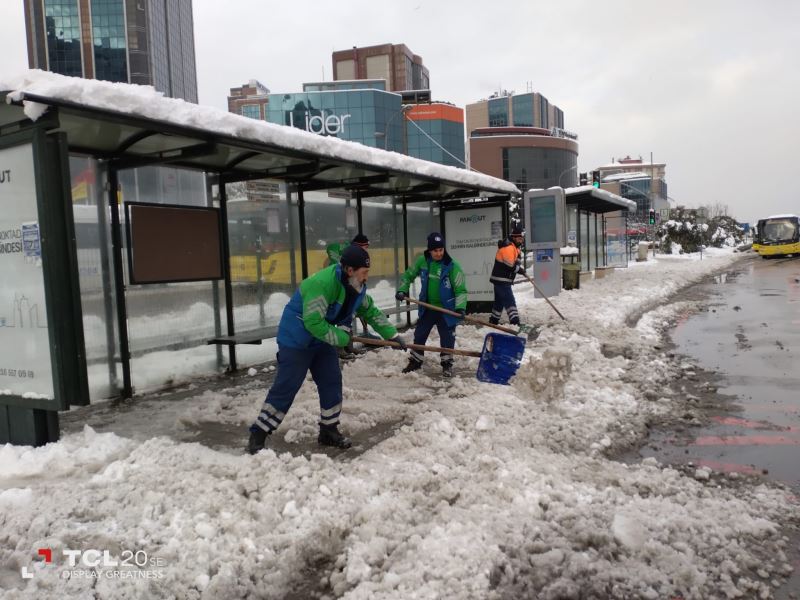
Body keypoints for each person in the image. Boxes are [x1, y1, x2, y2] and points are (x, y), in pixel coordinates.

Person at [247, 244, 406, 454]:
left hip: (323, 337)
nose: (367, 277)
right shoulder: (321, 283)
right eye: (364, 272)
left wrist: (392, 335)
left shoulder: (357, 285)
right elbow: (312, 322)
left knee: (331, 381)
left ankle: (328, 430)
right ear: (350, 270)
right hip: (297, 338)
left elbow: (369, 310)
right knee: (287, 386)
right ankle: (259, 433)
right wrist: (341, 337)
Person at [395, 232, 468, 378]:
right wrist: (402, 290)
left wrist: (460, 307)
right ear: (429, 250)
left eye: (441, 250)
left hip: (446, 310)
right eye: (435, 250)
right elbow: (408, 275)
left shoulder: (452, 266)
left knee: (447, 337)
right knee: (420, 334)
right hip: (428, 307)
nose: (439, 253)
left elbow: (460, 289)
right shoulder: (422, 261)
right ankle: (416, 361)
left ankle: (447, 364)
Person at [489, 225, 525, 326]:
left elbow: (515, 263)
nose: (521, 241)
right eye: (519, 238)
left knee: (499, 302)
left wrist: (520, 269)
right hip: (502, 280)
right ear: (514, 237)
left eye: (522, 239)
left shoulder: (514, 248)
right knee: (510, 301)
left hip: (501, 280)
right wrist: (520, 270)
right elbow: (509, 265)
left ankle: (493, 320)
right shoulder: (508, 248)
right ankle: (515, 322)